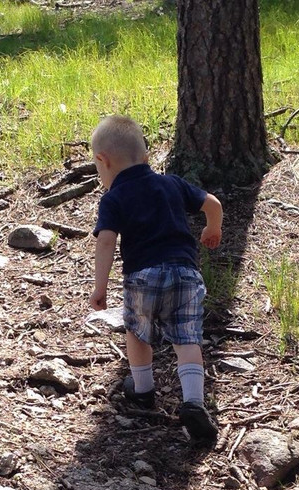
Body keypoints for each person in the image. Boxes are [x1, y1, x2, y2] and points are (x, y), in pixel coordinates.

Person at [88, 114, 223, 444]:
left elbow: (106, 241)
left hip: (143, 275)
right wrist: (212, 228)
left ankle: (143, 388)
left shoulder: (113, 198)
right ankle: (193, 402)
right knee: (187, 339)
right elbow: (213, 204)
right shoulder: (172, 183)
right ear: (146, 157)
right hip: (186, 274)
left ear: (101, 161)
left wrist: (100, 287)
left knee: (137, 330)